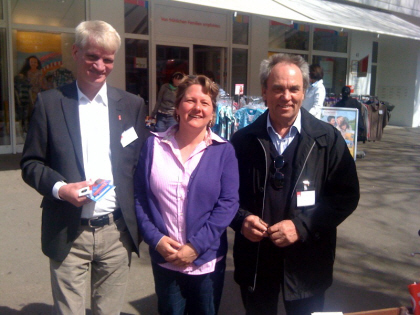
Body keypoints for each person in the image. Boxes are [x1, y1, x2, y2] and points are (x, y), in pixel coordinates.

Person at [20, 20, 148, 314]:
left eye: (108, 59)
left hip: (116, 232)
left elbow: (138, 165)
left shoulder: (131, 105)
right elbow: (30, 163)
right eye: (92, 56)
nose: (100, 65)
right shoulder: (50, 103)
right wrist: (60, 188)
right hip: (68, 230)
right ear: (76, 53)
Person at [230, 53, 360, 315]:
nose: (286, 96)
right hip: (256, 258)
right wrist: (241, 219)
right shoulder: (242, 140)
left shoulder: (328, 138)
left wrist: (301, 227)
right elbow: (225, 196)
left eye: (294, 89)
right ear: (265, 91)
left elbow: (345, 196)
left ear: (304, 92)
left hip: (307, 260)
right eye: (277, 88)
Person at [134, 75, 239, 315]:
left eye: (205, 102)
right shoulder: (153, 146)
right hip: (165, 259)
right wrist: (156, 240)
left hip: (206, 263)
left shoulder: (224, 151)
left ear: (213, 113)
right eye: (190, 100)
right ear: (178, 106)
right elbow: (140, 197)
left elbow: (228, 204)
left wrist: (196, 246)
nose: (197, 108)